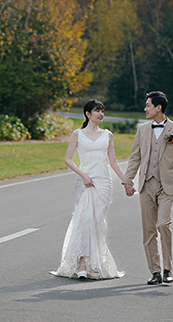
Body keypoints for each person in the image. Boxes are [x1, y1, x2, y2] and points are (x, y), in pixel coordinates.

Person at [51, 99, 126, 280]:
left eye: (102, 111)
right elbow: (68, 159)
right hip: (85, 181)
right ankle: (82, 264)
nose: (101, 114)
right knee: (84, 220)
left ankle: (96, 264)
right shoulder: (78, 134)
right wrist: (83, 175)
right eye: (97, 111)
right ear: (87, 114)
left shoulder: (108, 135)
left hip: (103, 182)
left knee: (97, 222)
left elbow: (113, 162)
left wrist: (126, 181)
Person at [121, 90, 173, 285]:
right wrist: (128, 180)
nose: (145, 109)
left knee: (163, 224)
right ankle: (155, 271)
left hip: (167, 186)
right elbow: (135, 157)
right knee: (148, 229)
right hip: (145, 185)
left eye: (148, 106)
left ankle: (168, 268)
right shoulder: (142, 130)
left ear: (158, 107)